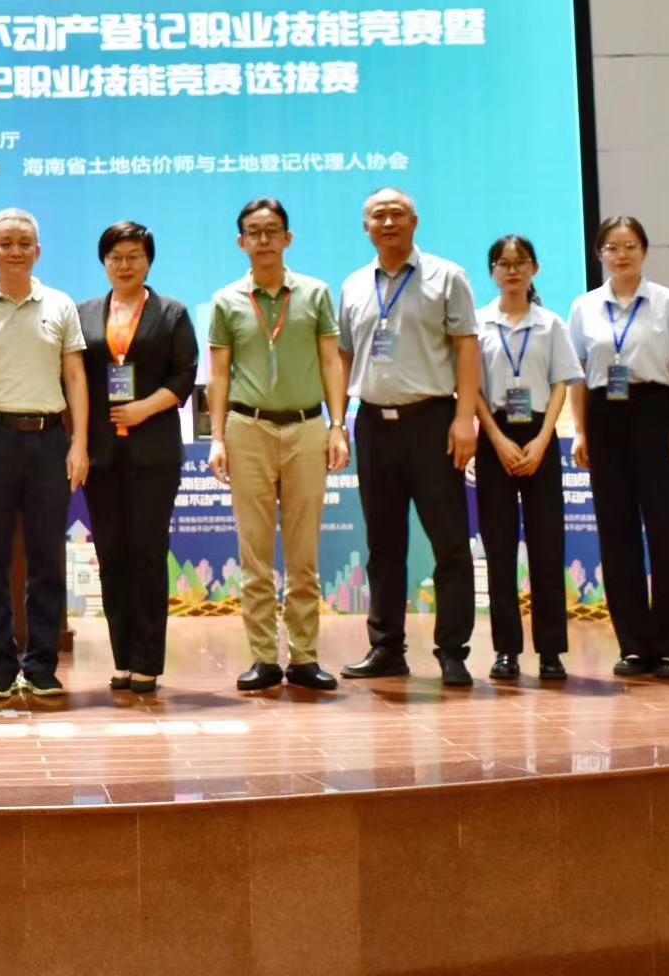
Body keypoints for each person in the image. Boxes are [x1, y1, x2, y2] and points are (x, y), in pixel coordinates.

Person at [335, 188, 482, 686]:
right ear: (366, 227)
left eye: (397, 213)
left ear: (414, 221)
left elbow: (466, 347)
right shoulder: (354, 285)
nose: (388, 222)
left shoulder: (447, 276)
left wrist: (465, 418)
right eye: (378, 215)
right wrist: (338, 422)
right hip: (373, 425)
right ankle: (386, 648)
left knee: (450, 544)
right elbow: (343, 355)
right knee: (383, 545)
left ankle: (452, 651)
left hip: (433, 423)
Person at [0, 208, 89, 700]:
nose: (15, 251)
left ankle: (43, 665)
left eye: (24, 243)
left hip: (49, 441)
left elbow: (75, 377)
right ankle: (1, 667)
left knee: (47, 560)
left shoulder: (60, 305)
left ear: (37, 251)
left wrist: (79, 443)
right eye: (5, 243)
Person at [205, 198, 347, 695]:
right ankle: (264, 657)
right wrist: (217, 437)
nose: (263, 240)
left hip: (307, 428)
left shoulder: (315, 293)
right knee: (255, 554)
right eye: (253, 232)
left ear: (288, 238)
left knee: (304, 553)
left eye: (272, 231)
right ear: (240, 241)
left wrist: (337, 426)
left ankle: (305, 657)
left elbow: (330, 362)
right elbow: (219, 374)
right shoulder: (226, 300)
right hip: (248, 430)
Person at [567, 216, 669, 680]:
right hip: (604, 418)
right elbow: (578, 375)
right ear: (599, 254)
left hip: (654, 413)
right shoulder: (584, 307)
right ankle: (634, 645)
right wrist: (580, 431)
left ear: (644, 250)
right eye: (612, 246)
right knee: (616, 533)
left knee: (668, 532)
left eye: (630, 245)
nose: (621, 254)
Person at [79, 221, 197, 697]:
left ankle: (148, 661)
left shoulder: (171, 313)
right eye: (116, 257)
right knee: (112, 556)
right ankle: (123, 659)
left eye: (134, 256)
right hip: (101, 454)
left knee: (147, 554)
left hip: (153, 452)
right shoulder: (85, 314)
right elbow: (75, 377)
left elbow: (185, 374)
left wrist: (144, 408)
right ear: (104, 262)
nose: (124, 265)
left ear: (148, 261)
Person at [474, 235, 580, 683]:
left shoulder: (551, 324)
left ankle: (551, 651)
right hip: (494, 436)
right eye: (503, 263)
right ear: (492, 272)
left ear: (534, 268)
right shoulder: (478, 323)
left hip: (539, 436)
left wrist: (542, 440)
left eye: (520, 262)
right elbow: (472, 390)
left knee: (546, 544)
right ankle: (506, 651)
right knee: (499, 548)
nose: (512, 270)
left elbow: (560, 384)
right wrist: (497, 439)